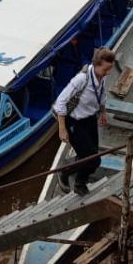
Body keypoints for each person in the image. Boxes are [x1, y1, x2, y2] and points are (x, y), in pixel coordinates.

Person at [53, 47, 115, 196]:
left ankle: (71, 168)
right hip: (74, 122)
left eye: (110, 69)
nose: (108, 73)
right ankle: (76, 181)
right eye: (106, 69)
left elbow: (102, 94)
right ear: (97, 64)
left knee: (88, 154)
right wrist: (62, 129)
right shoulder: (82, 79)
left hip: (90, 120)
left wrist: (103, 112)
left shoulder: (102, 77)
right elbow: (60, 102)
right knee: (94, 161)